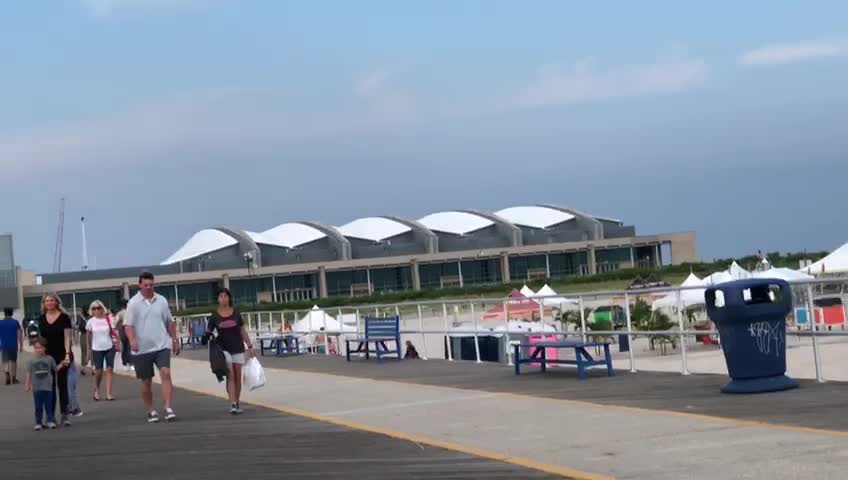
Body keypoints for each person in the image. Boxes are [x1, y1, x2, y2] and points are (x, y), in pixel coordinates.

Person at [125, 271, 180, 423]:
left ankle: (168, 408)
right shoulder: (133, 303)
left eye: (151, 284)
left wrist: (174, 339)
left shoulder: (161, 300)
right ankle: (150, 410)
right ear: (140, 285)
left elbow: (169, 322)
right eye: (146, 285)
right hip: (142, 348)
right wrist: (132, 340)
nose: (148, 287)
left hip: (161, 345)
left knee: (166, 373)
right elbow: (128, 325)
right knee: (146, 381)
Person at [206, 287, 254, 414]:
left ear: (229, 298)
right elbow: (209, 331)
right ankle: (232, 403)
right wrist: (207, 336)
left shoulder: (236, 313)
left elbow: (242, 331)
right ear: (217, 299)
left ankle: (237, 402)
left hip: (238, 347)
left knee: (238, 375)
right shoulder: (214, 316)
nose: (223, 298)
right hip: (223, 349)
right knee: (230, 375)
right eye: (220, 296)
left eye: (225, 296)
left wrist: (250, 346)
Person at [37, 293, 74, 427]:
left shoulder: (64, 317)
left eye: (52, 300)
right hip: (47, 357)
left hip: (63, 355)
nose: (49, 303)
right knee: (49, 386)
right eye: (47, 301)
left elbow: (67, 337)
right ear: (44, 303)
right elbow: (41, 339)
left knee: (62, 384)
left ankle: (64, 414)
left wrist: (67, 354)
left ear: (56, 302)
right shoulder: (41, 318)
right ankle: (50, 416)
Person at [86, 300, 117, 401]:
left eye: (98, 308)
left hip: (109, 346)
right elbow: (88, 338)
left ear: (102, 308)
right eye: (94, 308)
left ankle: (109, 393)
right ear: (91, 311)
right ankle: (97, 390)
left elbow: (114, 332)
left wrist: (118, 343)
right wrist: (88, 352)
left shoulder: (108, 319)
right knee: (98, 371)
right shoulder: (90, 322)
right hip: (97, 348)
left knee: (109, 369)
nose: (96, 310)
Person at [26, 337, 58, 430]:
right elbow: (28, 373)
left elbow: (55, 369)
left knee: (49, 406)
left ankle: (50, 421)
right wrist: (27, 385)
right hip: (37, 387)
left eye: (40, 347)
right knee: (38, 406)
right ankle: (38, 422)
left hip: (48, 387)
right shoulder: (31, 361)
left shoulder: (49, 359)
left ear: (45, 348)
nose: (38, 350)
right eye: (36, 348)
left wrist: (62, 364)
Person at [0, 307, 23, 385]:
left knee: (5, 360)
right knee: (13, 361)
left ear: (5, 313)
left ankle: (7, 373)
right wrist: (21, 345)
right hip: (13, 344)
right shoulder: (15, 322)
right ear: (12, 313)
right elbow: (19, 334)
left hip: (3, 344)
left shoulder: (0, 322)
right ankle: (13, 378)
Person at [114, 300, 133, 371]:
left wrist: (118, 326)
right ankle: (130, 363)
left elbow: (115, 323)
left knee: (124, 348)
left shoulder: (119, 314)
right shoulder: (130, 312)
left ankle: (124, 363)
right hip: (130, 331)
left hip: (122, 331)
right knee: (129, 348)